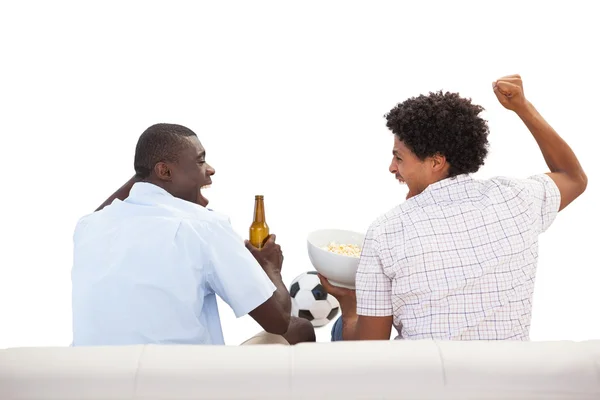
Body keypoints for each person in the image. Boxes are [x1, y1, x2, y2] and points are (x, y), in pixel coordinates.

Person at [321, 74, 587, 341]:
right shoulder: (516, 198)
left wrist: (350, 309)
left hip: (429, 380)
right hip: (512, 376)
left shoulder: (385, 232)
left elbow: (370, 350)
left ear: (436, 162)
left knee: (339, 331)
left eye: (399, 157)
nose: (392, 167)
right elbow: (573, 176)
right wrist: (522, 106)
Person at [71, 123, 315, 346]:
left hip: (93, 382)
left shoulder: (88, 227)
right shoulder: (204, 226)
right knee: (300, 329)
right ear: (165, 171)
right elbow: (278, 321)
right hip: (184, 384)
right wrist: (270, 268)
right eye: (200, 161)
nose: (210, 169)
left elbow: (115, 202)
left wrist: (146, 174)